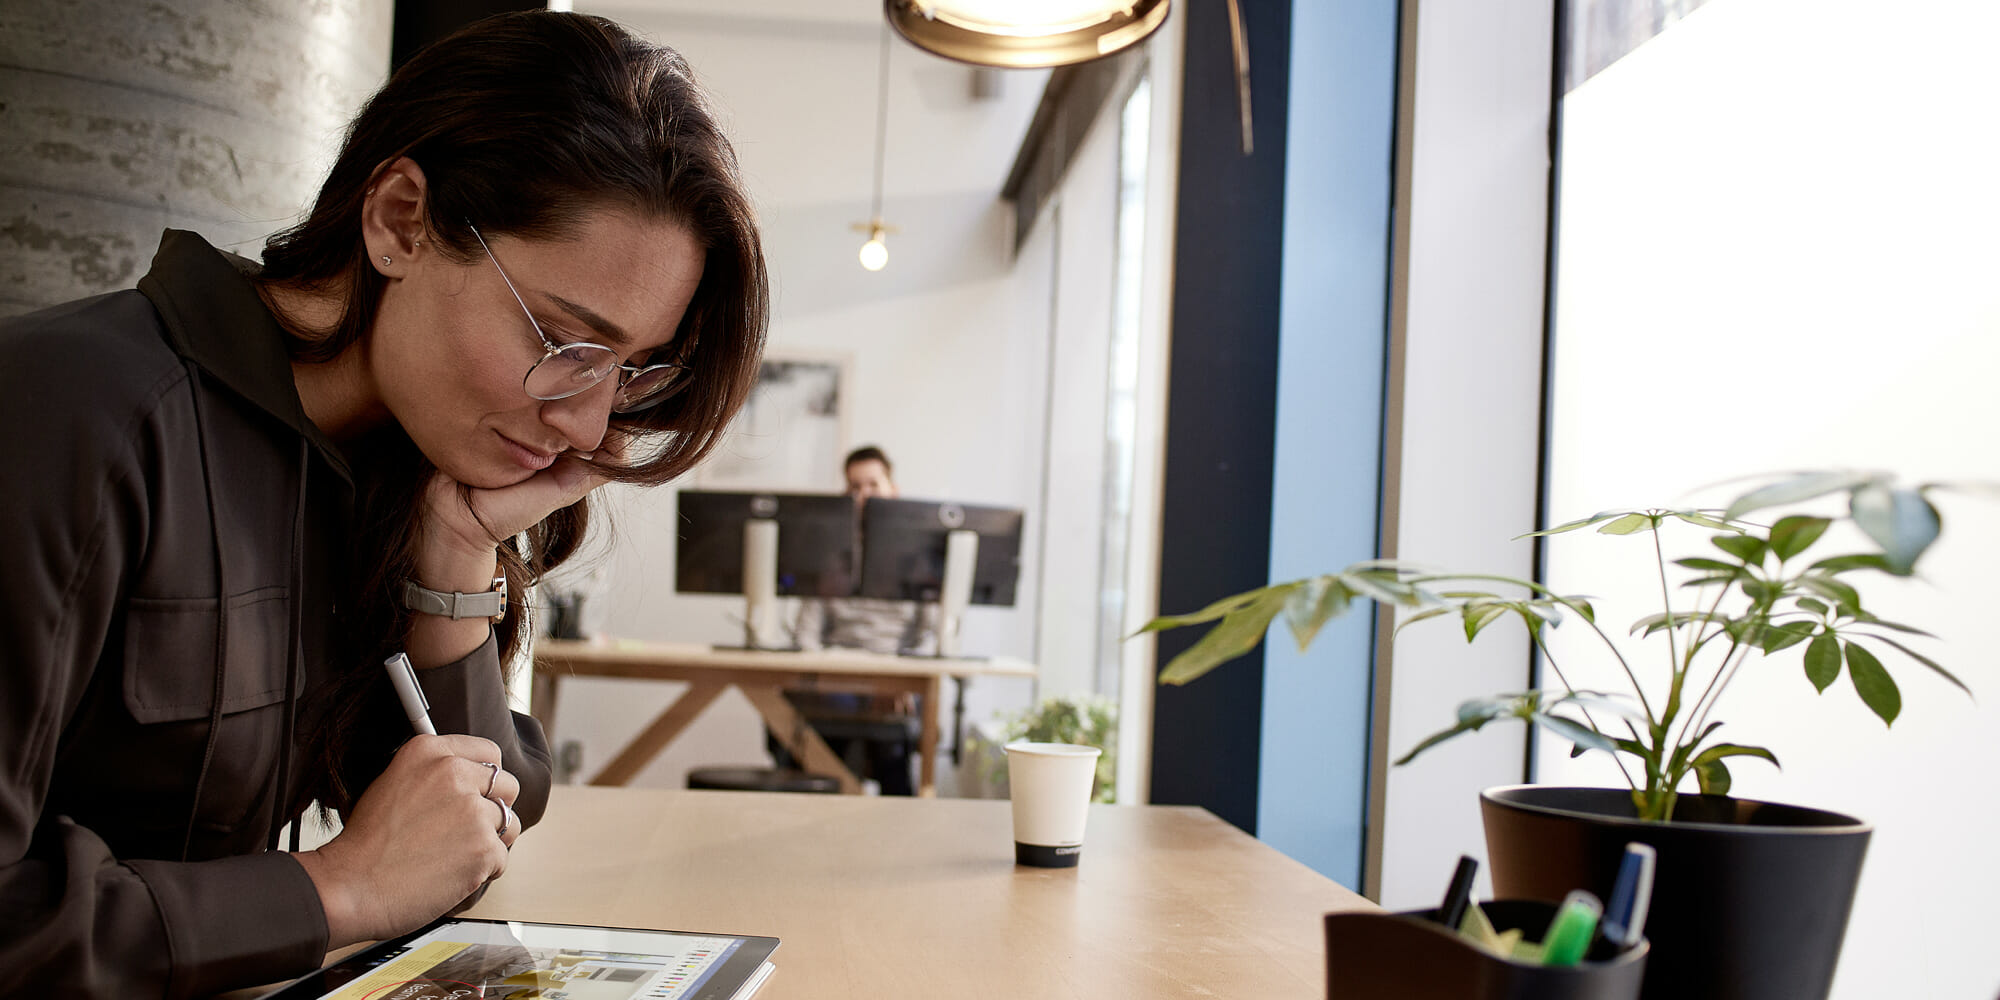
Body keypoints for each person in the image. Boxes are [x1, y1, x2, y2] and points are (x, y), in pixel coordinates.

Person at [0, 12, 766, 997]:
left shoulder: (395, 462)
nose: (586, 425)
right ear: (400, 219)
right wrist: (332, 890)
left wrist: (450, 562)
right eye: (567, 342)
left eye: (626, 372)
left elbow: (476, 814)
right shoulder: (70, 411)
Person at [778, 447, 933, 795]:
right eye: (854, 487)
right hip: (836, 679)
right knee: (805, 728)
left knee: (892, 738)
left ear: (894, 489)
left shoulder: (920, 558)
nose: (864, 496)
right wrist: (822, 676)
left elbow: (931, 639)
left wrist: (899, 678)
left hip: (897, 679)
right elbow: (806, 634)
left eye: (873, 485)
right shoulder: (828, 556)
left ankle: (893, 814)